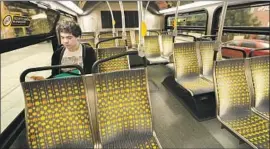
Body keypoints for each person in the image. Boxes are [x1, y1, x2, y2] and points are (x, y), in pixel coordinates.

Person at [31, 20, 96, 81]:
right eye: (62, 37)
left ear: (78, 37)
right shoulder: (58, 53)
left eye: (69, 37)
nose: (65, 41)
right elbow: (55, 75)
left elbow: (91, 75)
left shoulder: (88, 51)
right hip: (63, 85)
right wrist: (44, 80)